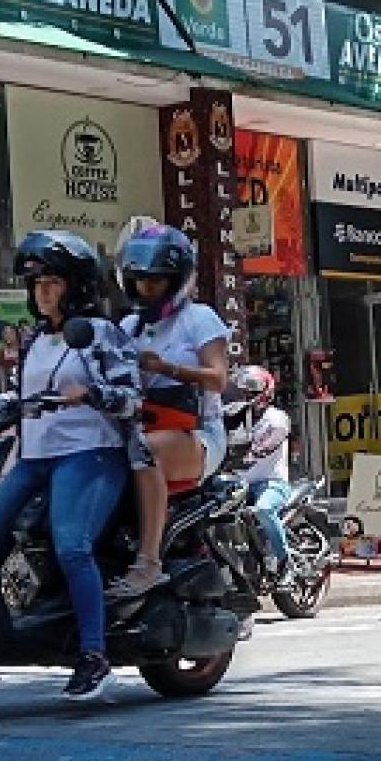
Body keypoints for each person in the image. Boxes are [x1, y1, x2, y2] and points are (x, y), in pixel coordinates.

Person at [0, 230, 142, 701]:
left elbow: (132, 398)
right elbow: (23, 399)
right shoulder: (34, 339)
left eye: (52, 282)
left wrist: (93, 393)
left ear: (76, 285)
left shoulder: (100, 334)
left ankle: (94, 655)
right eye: (37, 285)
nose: (43, 292)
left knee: (71, 545)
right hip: (35, 456)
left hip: (90, 452)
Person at [108, 224, 230, 596]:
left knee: (147, 451)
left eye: (157, 282)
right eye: (141, 281)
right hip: (138, 426)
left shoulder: (199, 319)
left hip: (197, 434)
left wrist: (166, 368)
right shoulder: (128, 325)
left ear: (176, 281)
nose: (147, 290)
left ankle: (148, 562)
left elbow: (218, 378)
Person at [234, 365, 295, 586]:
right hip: (241, 484)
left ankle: (284, 562)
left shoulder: (276, 417)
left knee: (264, 509)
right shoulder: (238, 416)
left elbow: (277, 436)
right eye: (244, 390)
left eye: (252, 390)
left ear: (265, 391)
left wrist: (258, 449)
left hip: (273, 483)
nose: (247, 395)